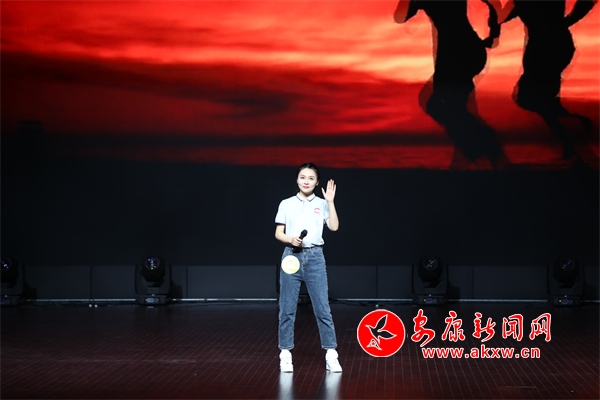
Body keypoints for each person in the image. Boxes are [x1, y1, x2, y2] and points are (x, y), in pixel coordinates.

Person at [274, 162, 342, 373]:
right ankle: (285, 354)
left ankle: (331, 354)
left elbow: (334, 226)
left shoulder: (322, 203)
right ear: (297, 180)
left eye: (311, 178)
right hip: (291, 256)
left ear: (317, 182)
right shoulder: (286, 203)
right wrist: (290, 239)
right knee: (287, 307)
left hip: (315, 257)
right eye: (303, 177)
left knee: (322, 307)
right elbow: (278, 233)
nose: (306, 181)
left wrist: (330, 201)